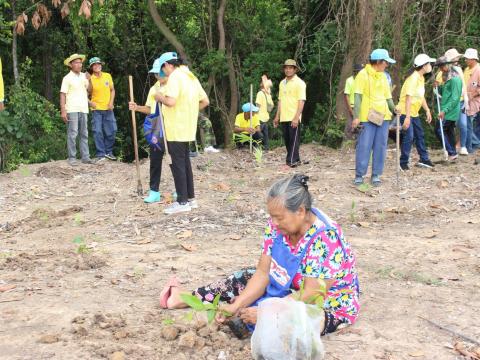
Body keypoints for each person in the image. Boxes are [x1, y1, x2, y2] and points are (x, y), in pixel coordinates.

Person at [159, 174, 360, 336]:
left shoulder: (326, 238)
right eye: (271, 217)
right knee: (242, 278)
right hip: (287, 286)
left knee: (301, 323)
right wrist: (236, 306)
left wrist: (267, 313)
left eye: (279, 218)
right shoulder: (276, 227)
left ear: (300, 211)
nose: (274, 223)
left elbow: (311, 294)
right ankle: (182, 298)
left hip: (324, 302)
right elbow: (263, 273)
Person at [155, 52, 209, 215]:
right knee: (185, 163)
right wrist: (189, 111)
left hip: (175, 128)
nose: (164, 72)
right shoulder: (191, 76)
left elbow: (171, 101)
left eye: (163, 68)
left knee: (177, 164)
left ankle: (182, 201)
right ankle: (190, 199)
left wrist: (159, 97)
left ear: (168, 65)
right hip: (187, 127)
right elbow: (205, 101)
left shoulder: (175, 77)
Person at [352, 49, 396, 186]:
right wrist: (356, 116)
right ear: (378, 62)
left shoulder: (383, 76)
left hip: (383, 117)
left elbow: (388, 97)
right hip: (367, 117)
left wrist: (394, 109)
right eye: (385, 62)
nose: (386, 65)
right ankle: (360, 175)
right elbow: (358, 96)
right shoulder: (362, 74)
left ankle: (376, 174)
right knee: (364, 146)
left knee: (380, 146)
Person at [129, 58, 167, 204]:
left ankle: (179, 189)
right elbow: (150, 109)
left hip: (172, 127)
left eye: (160, 73)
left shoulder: (174, 86)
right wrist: (137, 107)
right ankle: (154, 191)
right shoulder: (154, 89)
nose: (158, 76)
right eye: (156, 74)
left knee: (174, 160)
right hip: (157, 129)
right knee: (155, 159)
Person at [396, 54, 436, 170]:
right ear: (423, 66)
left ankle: (424, 159)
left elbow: (420, 96)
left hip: (414, 113)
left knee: (420, 135)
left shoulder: (421, 78)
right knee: (409, 136)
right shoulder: (413, 78)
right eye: (429, 64)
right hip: (404, 112)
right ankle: (403, 163)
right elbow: (408, 98)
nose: (430, 66)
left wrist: (427, 110)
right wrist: (407, 117)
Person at [60, 54, 94, 166]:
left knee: (84, 133)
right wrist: (63, 110)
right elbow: (63, 94)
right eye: (76, 62)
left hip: (84, 108)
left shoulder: (84, 76)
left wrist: (90, 79)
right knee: (73, 133)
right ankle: (72, 157)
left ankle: (86, 157)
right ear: (71, 65)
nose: (79, 64)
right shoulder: (67, 78)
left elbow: (89, 90)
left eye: (80, 62)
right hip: (72, 109)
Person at [274, 59, 306, 167]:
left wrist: (296, 117)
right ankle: (295, 159)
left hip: (294, 116)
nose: (288, 70)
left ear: (295, 69)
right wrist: (277, 116)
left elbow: (301, 101)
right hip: (284, 116)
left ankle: (291, 161)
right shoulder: (282, 83)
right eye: (286, 68)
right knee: (288, 140)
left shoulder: (300, 83)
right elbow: (280, 100)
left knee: (294, 140)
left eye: (290, 68)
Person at [88, 57, 117, 162]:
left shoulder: (107, 76)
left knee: (112, 130)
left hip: (108, 109)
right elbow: (84, 94)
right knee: (98, 131)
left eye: (98, 64)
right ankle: (101, 154)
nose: (97, 66)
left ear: (101, 65)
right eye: (94, 65)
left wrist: (111, 102)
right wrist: (90, 102)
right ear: (91, 67)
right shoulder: (90, 79)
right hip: (96, 110)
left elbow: (112, 90)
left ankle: (109, 152)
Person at [435, 56, 463, 161]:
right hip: (446, 109)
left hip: (449, 111)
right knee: (449, 131)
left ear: (448, 64)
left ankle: (451, 152)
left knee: (439, 130)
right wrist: (439, 87)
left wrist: (444, 111)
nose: (440, 68)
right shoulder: (447, 76)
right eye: (439, 66)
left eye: (442, 66)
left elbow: (455, 98)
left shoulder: (455, 78)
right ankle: (453, 153)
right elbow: (446, 92)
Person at [444, 48, 470, 155]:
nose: (457, 59)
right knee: (449, 126)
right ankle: (449, 147)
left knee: (463, 124)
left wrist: (466, 98)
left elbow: (463, 84)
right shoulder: (444, 71)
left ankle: (463, 146)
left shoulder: (458, 69)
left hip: (461, 101)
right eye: (456, 58)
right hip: (450, 103)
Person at [463, 48, 480, 154]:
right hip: (465, 100)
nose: (465, 60)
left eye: (467, 58)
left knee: (468, 123)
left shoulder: (478, 70)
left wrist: (472, 95)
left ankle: (474, 144)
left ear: (473, 59)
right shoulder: (466, 69)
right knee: (467, 124)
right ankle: (472, 144)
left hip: (474, 101)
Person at [344, 64, 363, 137]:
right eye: (358, 72)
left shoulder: (363, 81)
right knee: (350, 126)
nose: (359, 73)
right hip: (352, 106)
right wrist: (350, 109)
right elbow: (346, 95)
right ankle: (347, 143)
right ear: (355, 72)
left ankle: (358, 143)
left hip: (361, 107)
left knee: (360, 126)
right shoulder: (349, 80)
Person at [255, 75, 274, 150]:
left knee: (258, 134)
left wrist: (254, 116)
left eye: (262, 82)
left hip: (259, 117)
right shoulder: (268, 94)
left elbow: (257, 106)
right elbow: (271, 106)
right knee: (265, 135)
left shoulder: (260, 93)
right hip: (266, 117)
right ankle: (266, 148)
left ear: (262, 85)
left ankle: (257, 149)